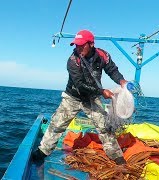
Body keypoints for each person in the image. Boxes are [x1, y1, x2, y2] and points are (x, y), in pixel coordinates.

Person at [32, 30, 128, 165]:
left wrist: (122, 81)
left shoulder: (103, 55)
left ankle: (117, 157)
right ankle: (42, 151)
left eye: (82, 45)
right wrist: (101, 92)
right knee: (57, 124)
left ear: (91, 44)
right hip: (73, 96)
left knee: (104, 127)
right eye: (76, 45)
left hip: (92, 98)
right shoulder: (72, 61)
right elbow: (80, 85)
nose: (78, 48)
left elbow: (112, 70)